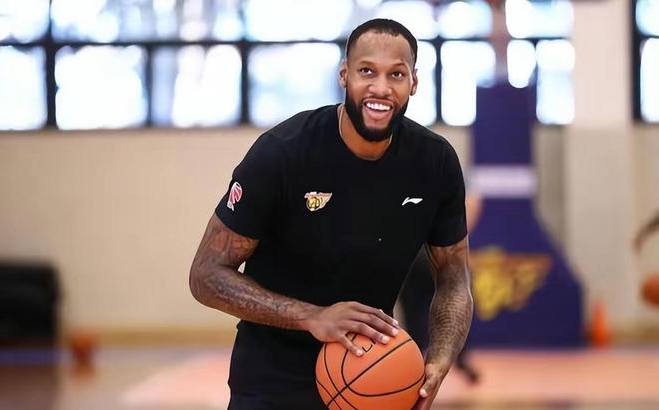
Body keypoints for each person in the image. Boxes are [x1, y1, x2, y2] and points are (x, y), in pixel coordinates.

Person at [189, 18, 473, 410]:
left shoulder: (434, 163)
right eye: (366, 71)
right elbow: (205, 275)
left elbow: (454, 275)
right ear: (344, 75)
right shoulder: (282, 153)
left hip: (370, 375)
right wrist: (313, 317)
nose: (381, 88)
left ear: (414, 83)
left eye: (396, 74)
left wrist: (440, 357)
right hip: (272, 383)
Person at [399, 194, 482, 385]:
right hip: (434, 249)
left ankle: (416, 360)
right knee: (453, 294)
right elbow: (472, 202)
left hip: (426, 248)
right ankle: (422, 358)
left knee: (443, 297)